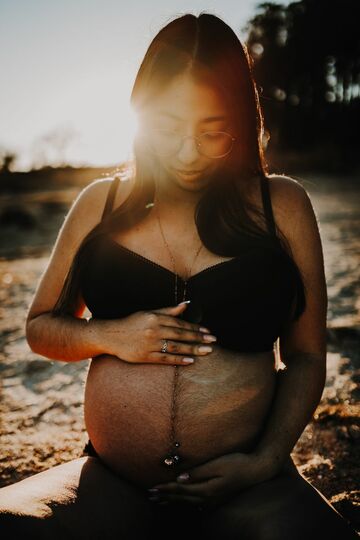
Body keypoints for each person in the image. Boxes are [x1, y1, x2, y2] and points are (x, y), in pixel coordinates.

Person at [0, 12, 357, 540]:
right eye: (168, 130)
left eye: (214, 133)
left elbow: (305, 355)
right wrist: (110, 335)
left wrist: (263, 461)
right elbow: (41, 328)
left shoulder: (281, 204)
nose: (189, 154)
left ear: (243, 120)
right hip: (109, 482)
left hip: (250, 489)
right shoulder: (102, 203)